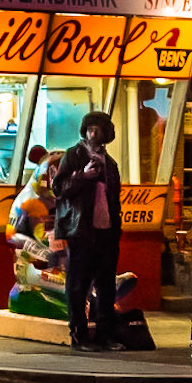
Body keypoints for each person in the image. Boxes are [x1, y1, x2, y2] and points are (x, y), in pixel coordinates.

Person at [52, 110, 122, 351]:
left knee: (105, 285)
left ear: (105, 134)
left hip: (107, 232)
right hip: (81, 231)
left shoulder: (110, 163)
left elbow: (115, 198)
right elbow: (59, 188)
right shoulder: (74, 155)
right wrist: (82, 176)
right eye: (90, 128)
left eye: (98, 129)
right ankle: (79, 335)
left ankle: (105, 335)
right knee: (78, 284)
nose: (93, 133)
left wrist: (116, 231)